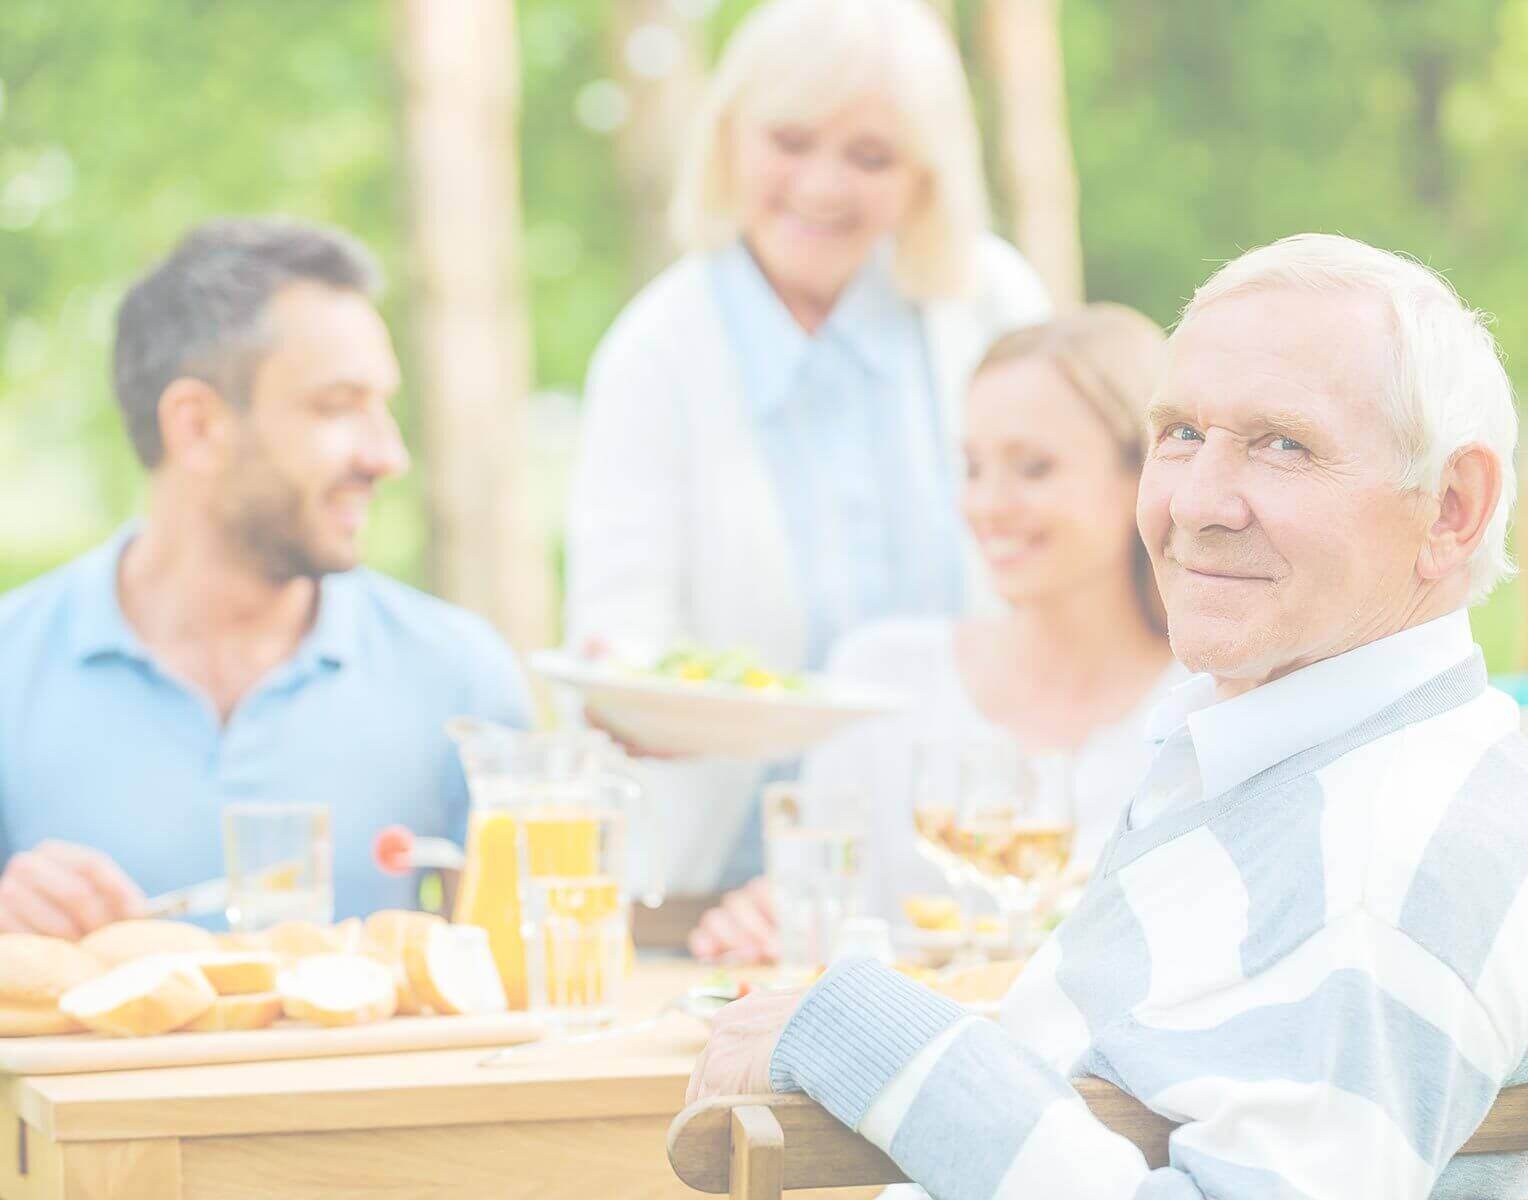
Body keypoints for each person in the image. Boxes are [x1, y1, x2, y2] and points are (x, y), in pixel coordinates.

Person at [688, 234, 1528, 1199]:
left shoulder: (1395, 853)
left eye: (1283, 444)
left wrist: (871, 1035)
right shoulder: (1293, 757)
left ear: (1453, 510)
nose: (1196, 500)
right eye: (1179, 433)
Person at [564, 0, 1051, 897]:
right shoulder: (655, 352)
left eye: (870, 157)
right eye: (789, 140)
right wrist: (632, 702)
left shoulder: (991, 305)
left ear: (925, 177)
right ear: (729, 141)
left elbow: (1074, 568)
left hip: (973, 876)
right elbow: (624, 644)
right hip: (726, 885)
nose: (822, 187)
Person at [0, 218, 530, 935]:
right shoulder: (12, 663)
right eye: (338, 405)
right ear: (198, 427)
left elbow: (530, 978)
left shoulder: (459, 676)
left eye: (385, 405)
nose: (387, 454)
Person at [688, 306, 1185, 962]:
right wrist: (764, 930)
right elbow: (819, 937)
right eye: (973, 467)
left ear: (1144, 476)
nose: (986, 504)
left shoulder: (1202, 708)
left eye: (1033, 468)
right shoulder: (881, 678)